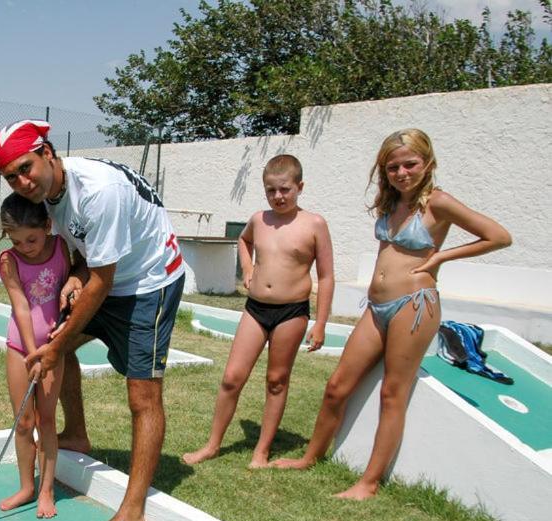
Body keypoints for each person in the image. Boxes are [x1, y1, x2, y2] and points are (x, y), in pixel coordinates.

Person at [271, 129, 512, 498]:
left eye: (409, 164)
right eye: (393, 166)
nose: (401, 172)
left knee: (392, 394)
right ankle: (309, 457)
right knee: (336, 386)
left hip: (414, 307)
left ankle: (368, 483)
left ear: (427, 163)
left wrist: (442, 257)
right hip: (377, 307)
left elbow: (498, 236)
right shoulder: (390, 202)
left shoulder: (439, 203)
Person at [0, 120, 185, 521]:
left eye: (26, 167)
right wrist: (74, 276)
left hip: (150, 280)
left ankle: (132, 513)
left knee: (143, 394)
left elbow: (104, 278)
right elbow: (85, 259)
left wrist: (56, 343)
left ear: (47, 153)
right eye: (11, 177)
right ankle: (76, 431)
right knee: (61, 343)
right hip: (108, 275)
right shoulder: (48, 198)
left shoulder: (97, 191)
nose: (22, 182)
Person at [183, 155, 334, 469]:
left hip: (292, 312)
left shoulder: (314, 224)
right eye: (271, 190)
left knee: (276, 380)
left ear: (299, 187)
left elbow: (328, 276)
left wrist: (320, 323)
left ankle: (261, 452)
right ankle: (212, 445)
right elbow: (244, 239)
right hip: (255, 309)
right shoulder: (258, 219)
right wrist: (248, 267)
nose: (278, 196)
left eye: (285, 189)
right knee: (231, 378)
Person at [0, 194, 70, 519]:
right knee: (24, 422)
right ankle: (27, 486)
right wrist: (31, 354)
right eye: (17, 240)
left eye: (32, 238)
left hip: (53, 348)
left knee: (47, 420)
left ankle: (46, 490)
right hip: (21, 347)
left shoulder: (61, 248)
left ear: (47, 226)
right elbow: (21, 306)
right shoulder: (8, 260)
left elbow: (71, 287)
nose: (26, 246)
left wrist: (48, 351)